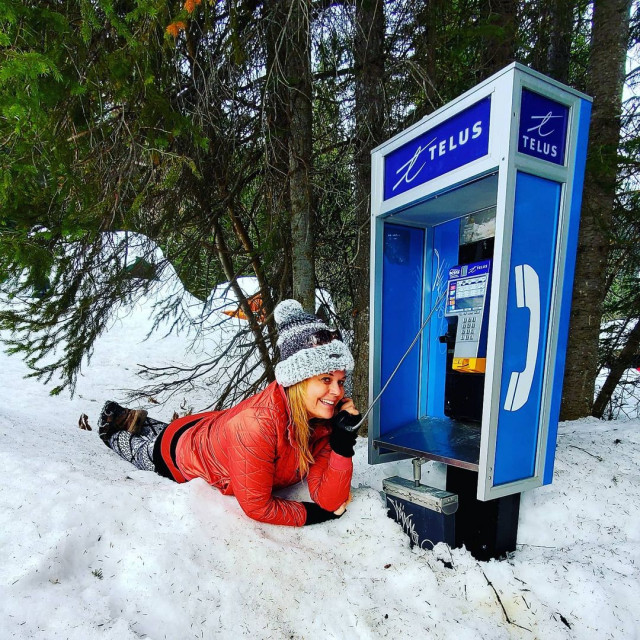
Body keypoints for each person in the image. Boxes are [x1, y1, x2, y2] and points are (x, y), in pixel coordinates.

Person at [97, 299, 361, 527]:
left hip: (211, 430)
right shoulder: (258, 426)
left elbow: (329, 498)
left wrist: (342, 445)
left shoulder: (322, 419)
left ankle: (135, 419)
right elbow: (258, 507)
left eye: (340, 381)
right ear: (297, 380)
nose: (337, 391)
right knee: (133, 443)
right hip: (181, 454)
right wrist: (316, 515)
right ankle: (112, 428)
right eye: (325, 379)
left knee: (163, 431)